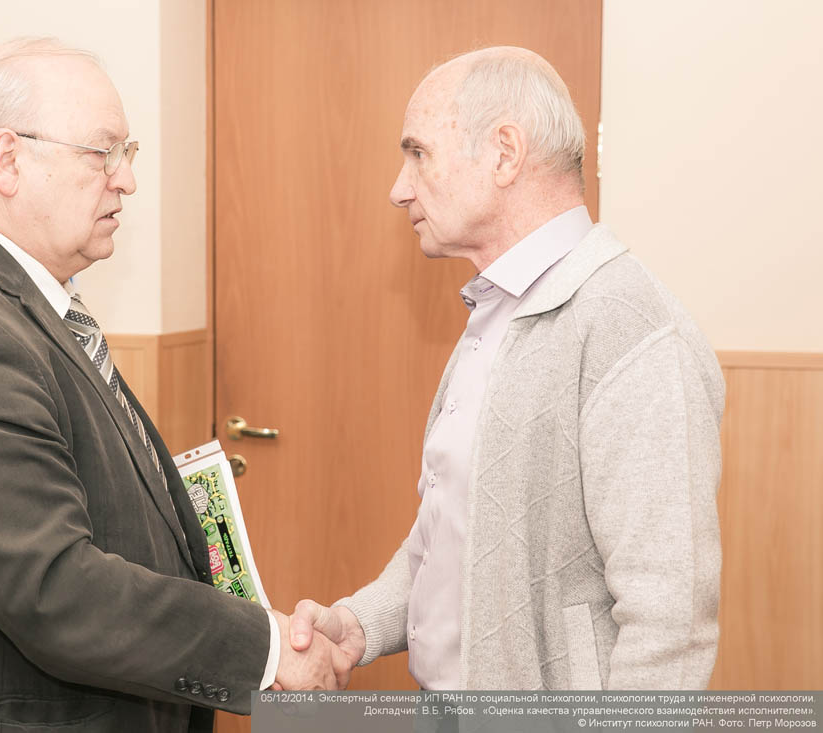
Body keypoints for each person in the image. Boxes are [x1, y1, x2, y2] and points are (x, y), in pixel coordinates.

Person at [0, 38, 345, 733]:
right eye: (102, 153)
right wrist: (268, 651)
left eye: (128, 153)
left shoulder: (14, 303)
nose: (127, 179)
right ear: (8, 159)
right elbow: (54, 589)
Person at [288, 46, 724, 690]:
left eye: (418, 153)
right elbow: (460, 537)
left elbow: (670, 626)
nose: (398, 188)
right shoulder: (497, 311)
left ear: (504, 154)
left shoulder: (629, 328)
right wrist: (363, 622)